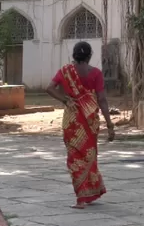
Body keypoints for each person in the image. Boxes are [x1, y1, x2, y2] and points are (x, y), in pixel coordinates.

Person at [46, 41, 114, 208]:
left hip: (72, 121)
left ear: (74, 56)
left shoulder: (65, 71)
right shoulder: (96, 73)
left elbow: (49, 88)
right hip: (90, 122)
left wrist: (64, 100)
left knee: (75, 157)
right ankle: (88, 193)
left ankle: (83, 197)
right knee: (89, 156)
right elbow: (102, 100)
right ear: (90, 56)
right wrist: (110, 125)